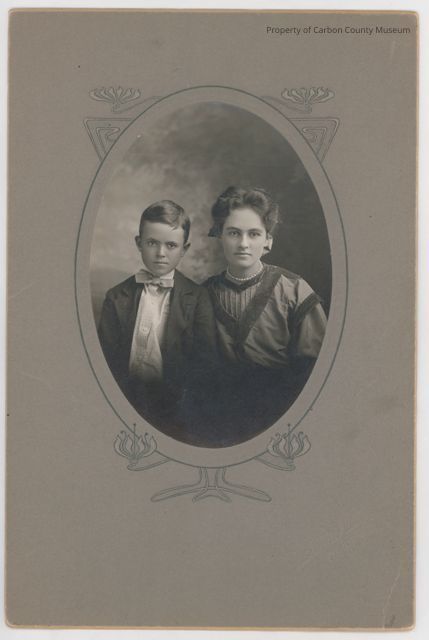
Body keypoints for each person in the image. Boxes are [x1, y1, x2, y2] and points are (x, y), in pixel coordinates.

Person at [202, 186, 327, 446]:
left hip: (281, 417)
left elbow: (315, 372)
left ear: (268, 241)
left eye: (254, 234)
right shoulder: (201, 296)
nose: (243, 243)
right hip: (218, 419)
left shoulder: (294, 290)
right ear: (219, 236)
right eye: (233, 233)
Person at [98, 200, 218, 441]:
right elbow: (105, 360)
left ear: (184, 249)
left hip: (175, 406)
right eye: (152, 243)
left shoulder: (197, 298)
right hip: (124, 400)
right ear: (138, 243)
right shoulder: (116, 296)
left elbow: (205, 362)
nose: (161, 253)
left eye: (171, 245)